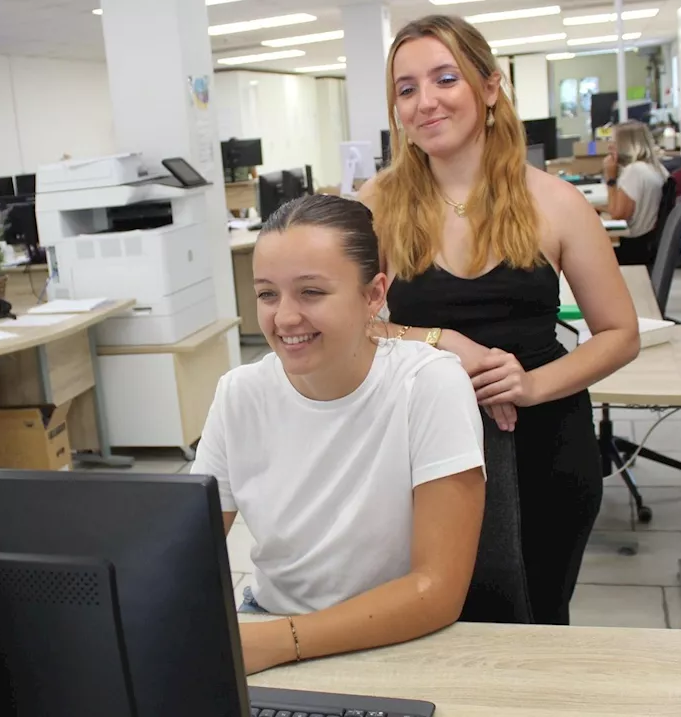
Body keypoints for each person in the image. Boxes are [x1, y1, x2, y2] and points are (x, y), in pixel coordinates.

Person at [359, 15, 640, 626]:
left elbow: (621, 333)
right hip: (424, 441)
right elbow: (346, 323)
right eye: (406, 89)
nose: (425, 101)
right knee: (439, 619)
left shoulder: (554, 201)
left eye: (444, 79)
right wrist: (442, 342)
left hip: (545, 442)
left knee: (539, 619)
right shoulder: (375, 205)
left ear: (489, 89)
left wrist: (533, 385)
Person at [192, 194, 486, 675]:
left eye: (311, 292)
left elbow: (437, 588)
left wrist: (279, 643)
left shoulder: (428, 383)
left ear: (373, 295)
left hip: (394, 636)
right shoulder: (240, 393)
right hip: (271, 623)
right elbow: (186, 551)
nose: (284, 317)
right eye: (267, 294)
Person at [603, 120, 670, 263]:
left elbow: (618, 215)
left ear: (626, 145)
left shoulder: (634, 171)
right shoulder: (656, 168)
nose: (610, 147)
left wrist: (610, 178)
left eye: (614, 142)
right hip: (647, 246)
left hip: (634, 249)